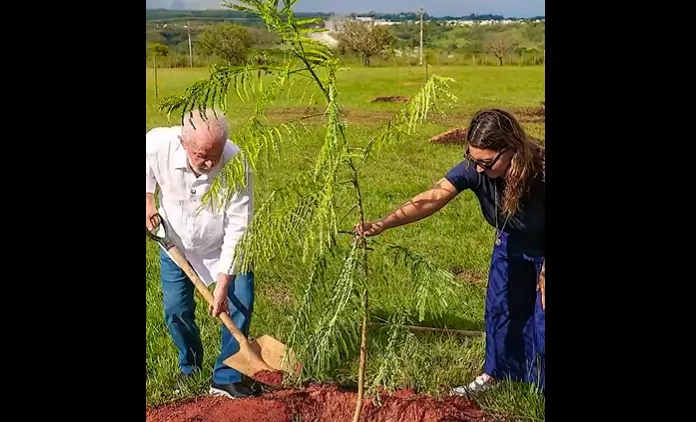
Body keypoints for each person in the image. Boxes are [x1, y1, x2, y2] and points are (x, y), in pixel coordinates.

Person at [355, 108, 545, 395]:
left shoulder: (540, 170)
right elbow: (431, 198)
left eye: (486, 162)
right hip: (510, 243)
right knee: (500, 309)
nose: (478, 169)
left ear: (511, 150)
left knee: (542, 318)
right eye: (473, 159)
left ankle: (540, 386)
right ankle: (496, 374)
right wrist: (383, 223)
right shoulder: (476, 167)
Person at [145, 110, 258, 399]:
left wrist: (223, 281)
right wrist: (147, 200)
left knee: (238, 304)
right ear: (184, 142)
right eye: (202, 155)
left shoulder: (236, 162)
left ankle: (227, 377)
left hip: (224, 244)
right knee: (176, 311)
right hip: (175, 244)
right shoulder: (158, 144)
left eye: (216, 155)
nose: (210, 163)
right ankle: (190, 368)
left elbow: (239, 225)